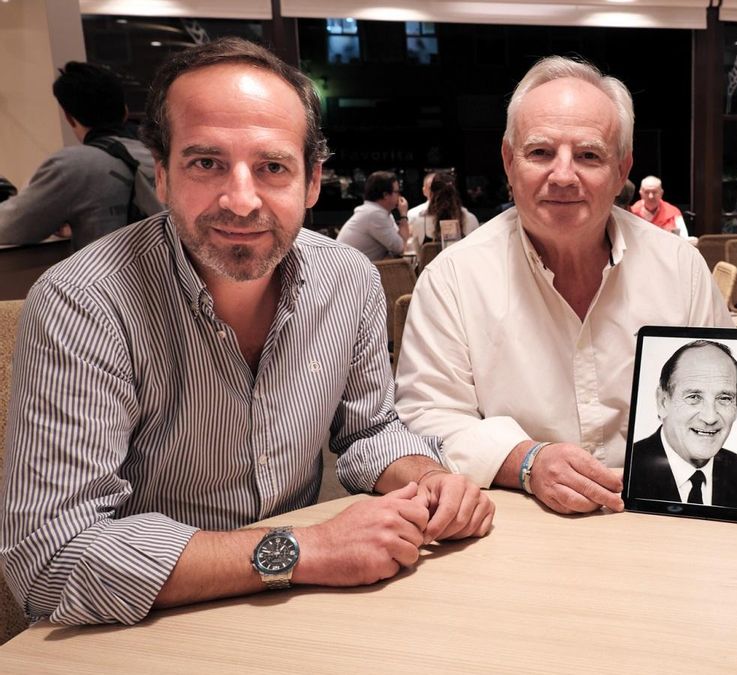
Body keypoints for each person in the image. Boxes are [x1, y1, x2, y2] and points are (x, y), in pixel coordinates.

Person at [0, 38, 493, 627]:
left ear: (311, 182)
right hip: (145, 625)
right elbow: (52, 559)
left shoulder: (349, 281)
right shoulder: (81, 303)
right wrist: (303, 549)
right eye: (206, 163)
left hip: (296, 613)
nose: (240, 200)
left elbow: (368, 432)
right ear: (162, 173)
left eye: (272, 167)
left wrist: (429, 476)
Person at [395, 56, 737, 516]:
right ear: (508, 160)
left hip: (669, 518)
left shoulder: (680, 267)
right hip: (518, 521)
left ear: (622, 171)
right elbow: (427, 417)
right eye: (540, 152)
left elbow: (727, 389)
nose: (563, 176)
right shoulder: (454, 278)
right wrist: (526, 460)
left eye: (589, 155)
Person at [0, 62, 159, 251]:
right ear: (125, 111)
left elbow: (9, 227)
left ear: (69, 117)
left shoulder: (73, 165)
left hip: (104, 278)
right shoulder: (156, 155)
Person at [628, 341, 737, 509]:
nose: (710, 418)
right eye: (694, 397)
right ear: (663, 402)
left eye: (724, 398)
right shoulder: (629, 469)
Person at [335, 170, 409, 260]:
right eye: (397, 192)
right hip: (348, 271)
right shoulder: (374, 214)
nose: (400, 195)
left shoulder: (380, 213)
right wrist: (404, 215)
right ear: (385, 195)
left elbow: (401, 242)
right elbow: (400, 248)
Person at [408, 171, 480, 248]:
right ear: (455, 193)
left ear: (431, 194)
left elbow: (417, 256)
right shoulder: (470, 219)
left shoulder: (419, 222)